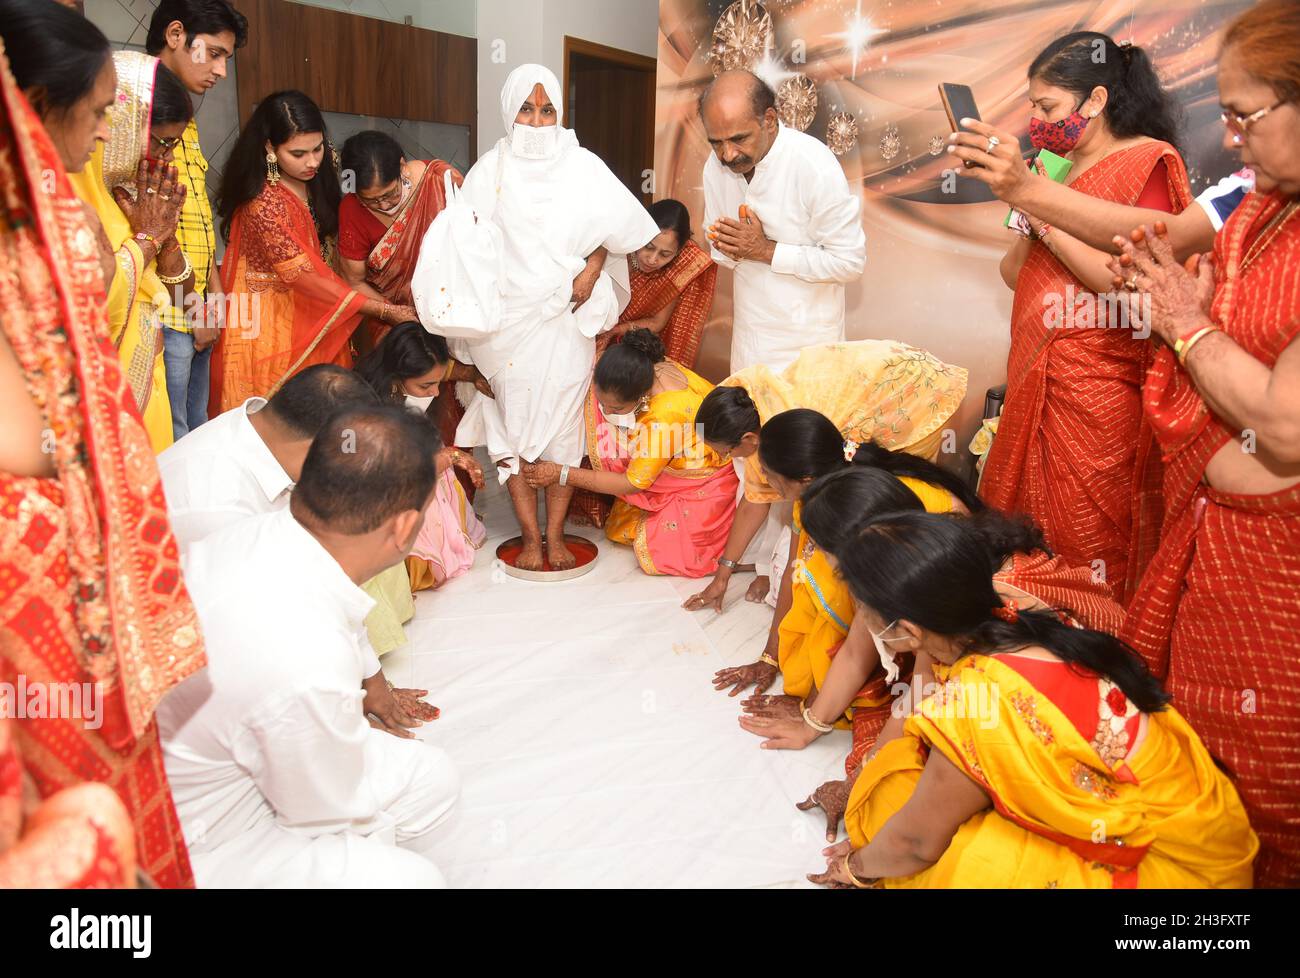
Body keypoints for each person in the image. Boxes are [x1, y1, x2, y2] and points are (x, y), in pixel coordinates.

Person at [0, 15, 205, 887]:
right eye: (91, 117)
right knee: (81, 788)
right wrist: (91, 454)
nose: (95, 145)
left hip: (82, 535)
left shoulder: (53, 192)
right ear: (35, 107)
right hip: (44, 558)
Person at [808, 512, 1257, 889]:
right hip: (1206, 835)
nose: (861, 618)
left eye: (863, 608)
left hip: (1165, 872)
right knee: (910, 764)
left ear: (908, 628)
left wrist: (857, 868)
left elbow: (916, 844)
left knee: (899, 804)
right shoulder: (1006, 609)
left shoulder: (975, 700)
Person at [1114, 0, 1300, 888]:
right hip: (1221, 535)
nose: (1229, 142)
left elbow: (1284, 421)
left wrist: (1185, 326)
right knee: (1204, 753)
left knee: (1272, 776)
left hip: (1283, 573)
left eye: (1245, 116)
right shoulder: (1267, 211)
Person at [158, 406, 460, 888]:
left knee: (431, 777)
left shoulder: (258, 531)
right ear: (404, 528)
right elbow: (322, 813)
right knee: (410, 879)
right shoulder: (304, 656)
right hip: (200, 839)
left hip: (216, 763)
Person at [976, 32, 1193, 606]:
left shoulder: (1148, 161)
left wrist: (1046, 216)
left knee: (1088, 537)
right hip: (1033, 370)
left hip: (1099, 387)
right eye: (1032, 108)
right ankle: (1023, 664)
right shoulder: (1051, 165)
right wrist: (1028, 202)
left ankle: (1093, 669)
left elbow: (1129, 284)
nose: (1036, 120)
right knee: (1020, 538)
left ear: (1094, 101)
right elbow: (1011, 273)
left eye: (1047, 107)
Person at [446, 64, 657, 571]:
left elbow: (615, 232)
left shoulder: (583, 165)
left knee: (564, 429)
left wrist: (593, 268)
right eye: (526, 108)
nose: (537, 122)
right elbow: (464, 250)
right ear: (509, 111)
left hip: (567, 320)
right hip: (506, 327)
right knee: (512, 428)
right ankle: (530, 537)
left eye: (547, 111)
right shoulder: (488, 172)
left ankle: (557, 535)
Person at [158, 363, 433, 736]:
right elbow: (276, 625)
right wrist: (342, 707)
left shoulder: (265, 440)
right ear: (316, 449)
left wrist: (372, 680)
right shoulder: (216, 501)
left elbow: (322, 574)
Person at [711, 408, 981, 704]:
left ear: (805, 478)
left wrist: (813, 708)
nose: (762, 477)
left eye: (769, 473)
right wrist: (770, 657)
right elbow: (795, 571)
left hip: (951, 602)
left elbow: (856, 619)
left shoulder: (859, 514)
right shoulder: (812, 498)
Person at [684, 340, 967, 611]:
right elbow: (753, 502)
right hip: (885, 371)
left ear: (748, 439)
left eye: (725, 451)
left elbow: (763, 507)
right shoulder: (753, 405)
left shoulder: (785, 431)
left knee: (899, 499)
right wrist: (723, 576)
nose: (724, 459)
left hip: (914, 392)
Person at [209, 90, 417, 415]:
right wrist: (383, 310)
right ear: (269, 148)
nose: (312, 162)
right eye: (298, 153)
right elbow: (301, 274)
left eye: (317, 148)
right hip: (269, 329)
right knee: (281, 423)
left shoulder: (321, 173)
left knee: (326, 419)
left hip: (320, 311)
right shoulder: (261, 203)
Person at [522, 329, 739, 577]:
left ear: (641, 395)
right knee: (619, 529)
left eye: (615, 407)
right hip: (679, 452)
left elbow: (631, 483)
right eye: (602, 402)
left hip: (705, 483)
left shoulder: (664, 416)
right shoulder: (648, 365)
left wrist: (561, 473)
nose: (605, 411)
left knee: (666, 555)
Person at [339, 130, 487, 489]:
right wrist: (395, 315)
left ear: (403, 167)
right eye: (370, 200)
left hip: (453, 319)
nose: (383, 205)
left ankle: (456, 508)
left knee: (452, 410)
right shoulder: (351, 210)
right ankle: (404, 497)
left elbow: (478, 249)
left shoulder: (443, 183)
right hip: (392, 323)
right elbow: (353, 279)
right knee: (404, 411)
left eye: (389, 194)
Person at [68, 51, 195, 453]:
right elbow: (87, 302)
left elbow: (187, 299)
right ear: (127, 125)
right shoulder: (65, 192)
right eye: (164, 141)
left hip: (146, 374)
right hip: (95, 392)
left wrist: (165, 236)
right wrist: (147, 241)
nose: (169, 156)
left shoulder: (142, 188)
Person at [699, 69, 865, 373]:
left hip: (808, 348)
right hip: (749, 341)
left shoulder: (813, 164)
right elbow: (717, 242)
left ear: (770, 120)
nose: (728, 154)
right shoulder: (716, 167)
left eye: (739, 138)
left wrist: (765, 250)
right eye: (716, 142)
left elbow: (849, 262)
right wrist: (730, 245)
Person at [146, 0, 249, 441]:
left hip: (194, 304)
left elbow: (195, 218)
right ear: (174, 36)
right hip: (165, 307)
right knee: (173, 439)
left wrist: (215, 296)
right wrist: (195, 308)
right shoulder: (140, 109)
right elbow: (157, 225)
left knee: (194, 434)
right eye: (216, 53)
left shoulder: (183, 117)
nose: (222, 71)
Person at [356, 323, 487, 591]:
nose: (436, 393)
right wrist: (448, 457)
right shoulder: (365, 407)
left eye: (438, 383)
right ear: (395, 377)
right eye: (426, 385)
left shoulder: (411, 397)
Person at [599, 198, 718, 367]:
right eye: (648, 246)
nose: (652, 260)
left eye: (665, 254)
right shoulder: (615, 248)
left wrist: (617, 330)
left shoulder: (677, 270)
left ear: (678, 252)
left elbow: (657, 322)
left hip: (622, 346)